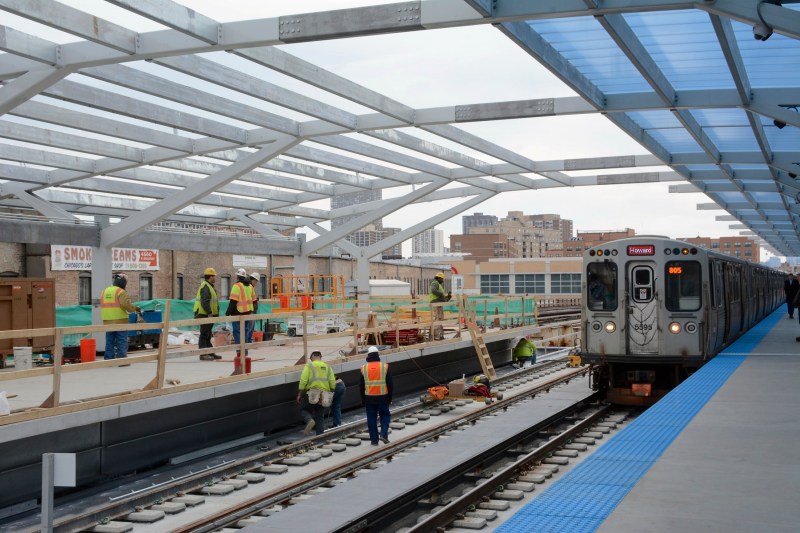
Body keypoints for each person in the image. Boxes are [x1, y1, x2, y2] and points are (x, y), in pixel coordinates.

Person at [101, 273, 140, 361]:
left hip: (107, 320)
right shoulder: (121, 292)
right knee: (121, 340)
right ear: (123, 282)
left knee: (109, 340)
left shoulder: (105, 290)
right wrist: (135, 308)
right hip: (120, 320)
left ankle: (108, 359)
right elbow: (125, 305)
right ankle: (122, 359)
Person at [296, 350, 335, 436]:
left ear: (312, 358)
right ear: (320, 358)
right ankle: (320, 437)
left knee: (304, 409)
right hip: (324, 394)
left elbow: (303, 380)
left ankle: (309, 420)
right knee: (320, 416)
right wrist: (331, 392)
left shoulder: (309, 366)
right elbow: (332, 382)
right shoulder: (328, 367)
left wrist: (300, 393)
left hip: (312, 393)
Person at [359, 346, 393, 445]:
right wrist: (390, 398)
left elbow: (361, 386)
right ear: (378, 355)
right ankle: (383, 434)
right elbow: (390, 384)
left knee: (371, 418)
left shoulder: (363, 368)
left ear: (368, 355)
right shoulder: (385, 366)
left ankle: (374, 440)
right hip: (383, 397)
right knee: (385, 415)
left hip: (369, 398)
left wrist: (363, 399)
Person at [225, 268, 255, 355]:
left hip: (238, 314)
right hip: (248, 313)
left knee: (238, 333)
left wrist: (227, 313)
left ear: (238, 277)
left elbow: (233, 301)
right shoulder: (250, 287)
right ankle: (244, 350)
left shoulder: (237, 286)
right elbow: (254, 301)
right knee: (245, 332)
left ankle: (239, 351)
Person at [194, 267, 220, 360]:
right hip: (204, 313)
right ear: (210, 277)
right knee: (204, 334)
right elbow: (204, 301)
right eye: (214, 276)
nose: (215, 278)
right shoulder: (205, 287)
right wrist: (209, 313)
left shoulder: (209, 286)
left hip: (207, 314)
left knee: (208, 334)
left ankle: (209, 352)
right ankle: (203, 354)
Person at [429, 272, 451, 341]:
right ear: (438, 278)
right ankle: (436, 336)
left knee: (440, 319)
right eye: (442, 279)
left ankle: (440, 335)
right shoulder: (434, 283)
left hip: (439, 304)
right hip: (435, 304)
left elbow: (443, 299)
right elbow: (433, 290)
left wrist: (448, 297)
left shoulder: (439, 285)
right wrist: (442, 294)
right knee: (437, 319)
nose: (443, 280)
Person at [248, 272, 260, 343]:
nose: (256, 283)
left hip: (251, 310)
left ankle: (249, 341)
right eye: (256, 282)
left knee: (250, 328)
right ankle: (249, 341)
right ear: (254, 280)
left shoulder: (250, 287)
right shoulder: (249, 287)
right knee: (250, 328)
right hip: (250, 310)